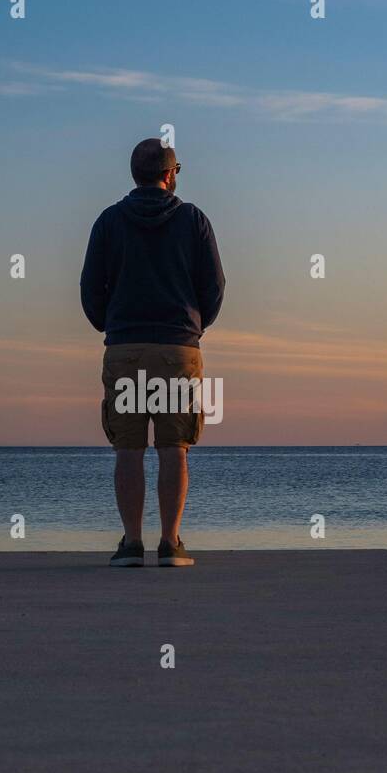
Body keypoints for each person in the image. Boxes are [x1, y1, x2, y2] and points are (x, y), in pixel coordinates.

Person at [80, 138, 226, 567]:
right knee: (173, 447)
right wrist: (194, 327)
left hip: (125, 346)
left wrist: (111, 325)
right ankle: (169, 542)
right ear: (170, 174)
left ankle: (130, 543)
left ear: (134, 174)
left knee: (128, 448)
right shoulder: (193, 219)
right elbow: (214, 287)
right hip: (177, 348)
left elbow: (91, 288)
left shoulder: (109, 221)